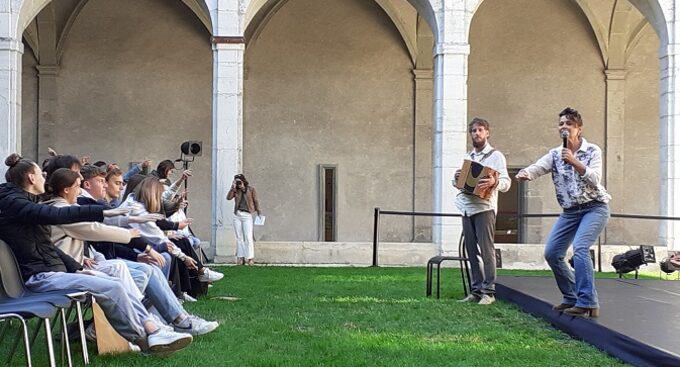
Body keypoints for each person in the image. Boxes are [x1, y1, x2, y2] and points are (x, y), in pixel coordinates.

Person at [0, 154, 193, 353]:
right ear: (31, 178)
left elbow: (48, 247)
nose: (44, 177)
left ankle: (151, 334)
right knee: (112, 285)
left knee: (116, 282)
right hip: (40, 278)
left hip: (53, 272)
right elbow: (66, 220)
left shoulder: (24, 204)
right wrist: (103, 213)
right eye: (41, 174)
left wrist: (78, 268)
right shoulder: (19, 205)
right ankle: (147, 338)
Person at [516, 107, 610, 318]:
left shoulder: (593, 151)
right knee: (552, 253)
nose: (564, 127)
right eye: (561, 124)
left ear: (579, 128)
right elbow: (539, 167)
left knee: (580, 248)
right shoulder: (555, 154)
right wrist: (526, 173)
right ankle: (572, 297)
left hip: (595, 207)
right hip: (570, 212)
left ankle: (587, 301)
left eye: (568, 124)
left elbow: (596, 179)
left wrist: (575, 161)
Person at [454, 118, 510, 305]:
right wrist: (456, 179)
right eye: (473, 131)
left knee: (486, 250)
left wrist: (494, 182)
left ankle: (489, 292)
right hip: (467, 208)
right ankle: (476, 290)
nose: (476, 133)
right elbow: (459, 183)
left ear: (487, 132)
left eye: (480, 130)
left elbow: (506, 183)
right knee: (471, 251)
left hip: (485, 208)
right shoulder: (468, 157)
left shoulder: (496, 156)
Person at [227, 173, 261, 266]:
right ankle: (241, 258)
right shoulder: (235, 190)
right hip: (237, 214)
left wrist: (259, 212)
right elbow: (228, 198)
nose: (238, 183)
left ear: (243, 181)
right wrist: (233, 188)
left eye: (239, 181)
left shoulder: (250, 189)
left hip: (247, 215)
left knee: (248, 236)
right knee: (239, 237)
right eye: (236, 181)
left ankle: (250, 258)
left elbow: (256, 200)